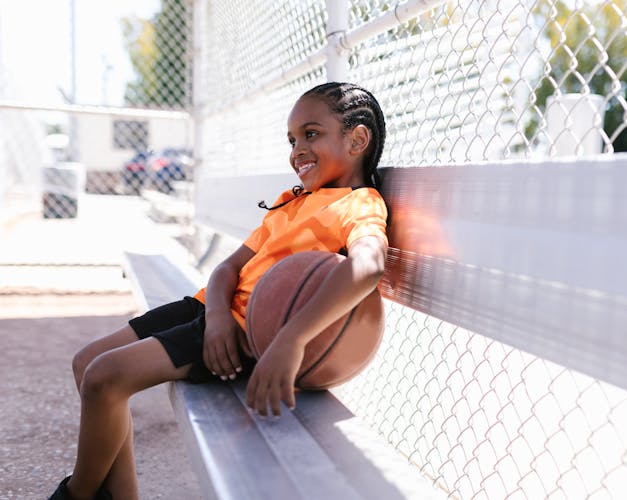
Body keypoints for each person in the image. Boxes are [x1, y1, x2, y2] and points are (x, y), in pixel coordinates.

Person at [49, 81, 389, 500]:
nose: (297, 149)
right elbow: (229, 266)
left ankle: (74, 495)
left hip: (247, 334)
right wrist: (214, 317)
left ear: (357, 138)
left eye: (311, 134)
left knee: (105, 378)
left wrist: (290, 340)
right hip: (211, 311)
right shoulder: (294, 200)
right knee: (87, 363)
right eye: (292, 139)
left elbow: (368, 265)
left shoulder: (358, 204)